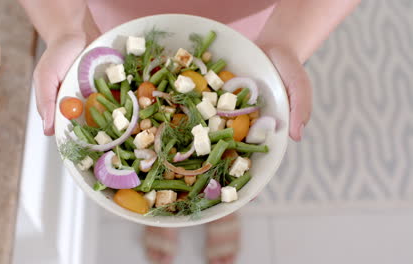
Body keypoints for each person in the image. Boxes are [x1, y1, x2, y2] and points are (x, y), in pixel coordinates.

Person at [19, 0, 360, 263]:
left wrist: (288, 39)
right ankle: (158, 205)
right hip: (109, 21)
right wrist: (68, 26)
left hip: (262, 22)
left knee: (227, 172)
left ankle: (214, 198)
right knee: (143, 191)